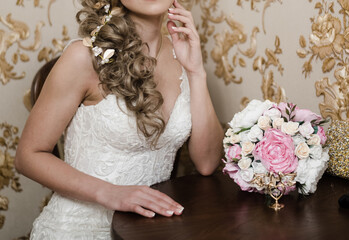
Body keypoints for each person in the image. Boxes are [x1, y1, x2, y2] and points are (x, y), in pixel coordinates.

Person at [15, 0, 224, 239]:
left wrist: (196, 72)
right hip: (78, 228)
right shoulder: (83, 56)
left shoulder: (183, 53)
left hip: (148, 231)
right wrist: (111, 193)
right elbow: (28, 157)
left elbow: (207, 164)